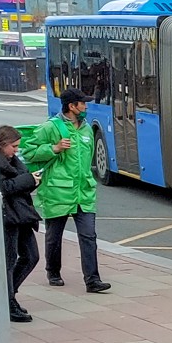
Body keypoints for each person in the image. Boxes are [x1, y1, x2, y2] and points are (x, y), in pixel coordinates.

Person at [22, 92, 110, 293]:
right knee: (54, 235)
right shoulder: (51, 127)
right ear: (71, 106)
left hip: (83, 192)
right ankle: (53, 271)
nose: (86, 107)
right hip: (58, 191)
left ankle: (92, 280)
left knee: (89, 235)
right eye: (83, 104)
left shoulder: (86, 128)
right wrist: (54, 148)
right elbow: (27, 151)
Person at [0, 126, 41, 322]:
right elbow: (3, 187)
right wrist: (28, 179)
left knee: (31, 256)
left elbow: (18, 182)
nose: (16, 151)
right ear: (1, 145)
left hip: (21, 214)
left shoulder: (11, 160)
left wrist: (31, 180)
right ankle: (7, 299)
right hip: (7, 216)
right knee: (8, 259)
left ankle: (7, 295)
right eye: (13, 147)